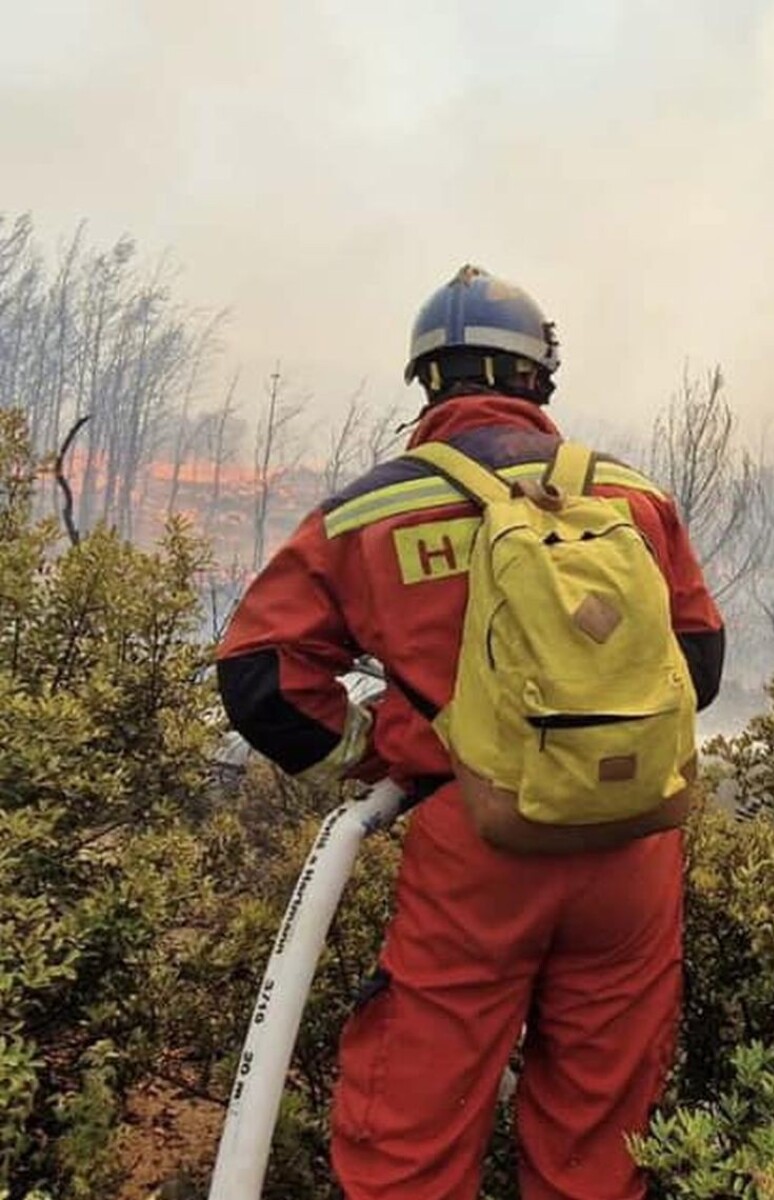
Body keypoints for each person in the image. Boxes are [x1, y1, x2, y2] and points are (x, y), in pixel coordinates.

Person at [216, 264, 725, 1199]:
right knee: (600, 1142)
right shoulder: (632, 498)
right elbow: (697, 665)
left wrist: (373, 746)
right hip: (633, 851)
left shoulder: (369, 513)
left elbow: (260, 680)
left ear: (427, 382)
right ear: (538, 378)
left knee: (415, 1127)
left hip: (476, 845)